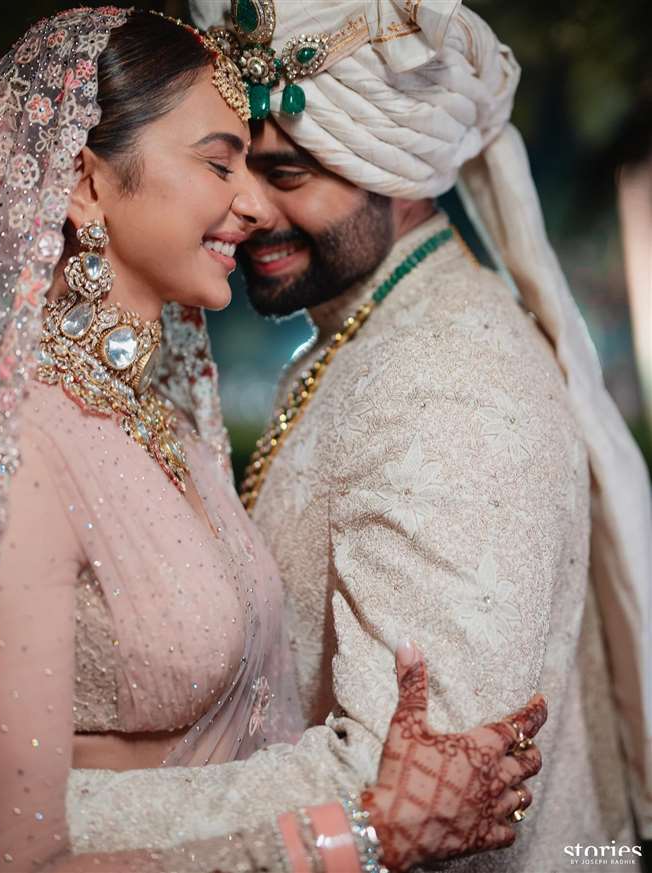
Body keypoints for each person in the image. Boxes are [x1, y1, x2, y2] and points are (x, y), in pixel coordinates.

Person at [0, 7, 548, 873]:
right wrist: (366, 831)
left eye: (271, 168)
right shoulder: (18, 447)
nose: (249, 203)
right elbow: (4, 852)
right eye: (218, 163)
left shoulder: (169, 419)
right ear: (86, 186)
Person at [191, 0, 652, 870]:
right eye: (238, 166)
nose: (242, 204)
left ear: (399, 170)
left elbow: (405, 800)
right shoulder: (377, 332)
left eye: (286, 173)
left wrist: (66, 809)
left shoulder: (451, 388)